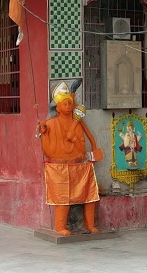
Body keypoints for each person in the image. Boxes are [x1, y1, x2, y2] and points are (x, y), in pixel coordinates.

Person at [38, 83, 102, 236]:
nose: (68, 106)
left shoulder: (77, 122)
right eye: (65, 103)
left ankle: (90, 225)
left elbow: (82, 143)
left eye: (70, 103)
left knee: (90, 196)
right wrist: (44, 131)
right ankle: (60, 227)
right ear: (58, 107)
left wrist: (74, 140)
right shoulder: (52, 123)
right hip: (59, 169)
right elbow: (47, 149)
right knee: (63, 199)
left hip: (79, 166)